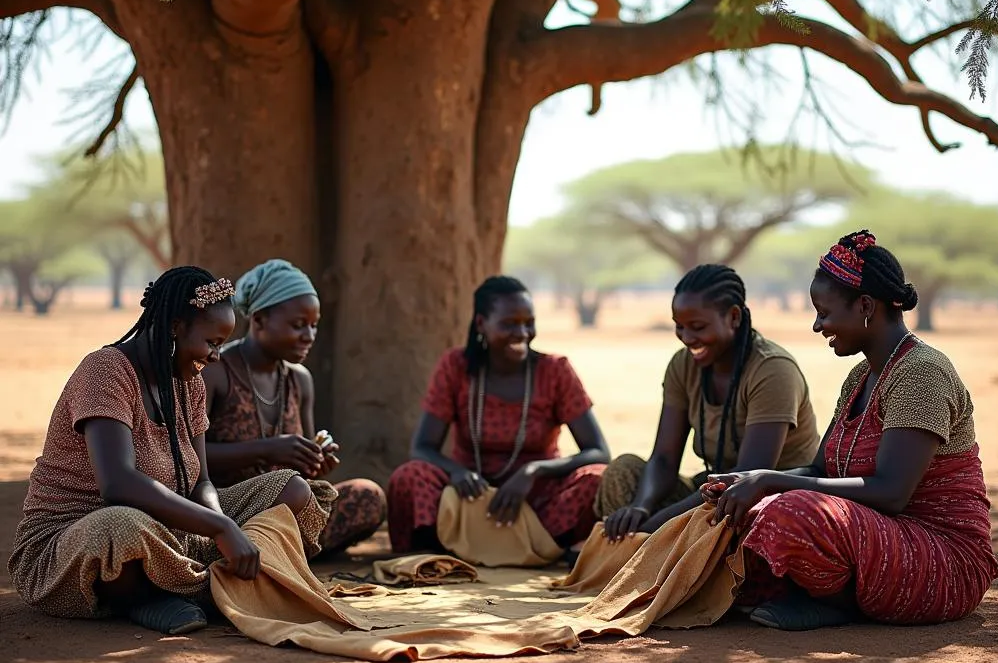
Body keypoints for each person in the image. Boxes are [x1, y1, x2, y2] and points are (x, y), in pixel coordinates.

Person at [8, 267, 338, 637]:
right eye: (212, 343)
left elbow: (202, 481)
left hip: (174, 529)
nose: (216, 356)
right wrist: (221, 526)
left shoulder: (188, 383)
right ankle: (154, 596)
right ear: (175, 327)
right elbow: (116, 483)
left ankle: (201, 580)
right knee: (120, 525)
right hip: (78, 537)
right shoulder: (105, 371)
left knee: (292, 488)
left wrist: (216, 527)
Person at [703, 230, 998, 630]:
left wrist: (772, 482)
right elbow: (820, 471)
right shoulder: (862, 376)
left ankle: (839, 603)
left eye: (824, 312)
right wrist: (748, 482)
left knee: (791, 510)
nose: (816, 325)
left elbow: (892, 493)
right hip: (880, 541)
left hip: (940, 560)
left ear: (864, 306)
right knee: (739, 509)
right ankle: (816, 592)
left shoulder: (921, 373)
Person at [387, 276, 611, 555]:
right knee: (408, 476)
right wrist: (458, 472)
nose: (522, 332)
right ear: (481, 324)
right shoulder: (457, 367)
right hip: (468, 495)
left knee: (597, 478)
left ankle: (546, 549)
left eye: (529, 322)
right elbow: (422, 447)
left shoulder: (555, 371)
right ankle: (437, 549)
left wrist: (534, 470)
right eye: (509, 324)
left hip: (536, 500)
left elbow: (598, 451)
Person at [599, 264, 820, 542]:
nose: (687, 338)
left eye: (698, 327)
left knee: (727, 511)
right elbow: (665, 458)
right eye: (679, 326)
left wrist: (653, 527)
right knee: (624, 471)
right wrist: (641, 507)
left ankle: (647, 553)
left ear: (734, 317)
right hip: (710, 491)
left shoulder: (773, 370)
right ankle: (645, 552)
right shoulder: (684, 364)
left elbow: (745, 477)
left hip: (764, 498)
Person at [204, 259, 385, 555]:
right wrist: (267, 449)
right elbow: (187, 458)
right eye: (298, 325)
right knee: (286, 493)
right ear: (259, 320)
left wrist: (315, 460)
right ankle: (272, 553)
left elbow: (306, 474)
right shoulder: (216, 371)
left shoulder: (300, 380)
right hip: (228, 508)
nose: (309, 336)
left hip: (289, 503)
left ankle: (280, 553)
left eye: (314, 326)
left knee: (368, 497)